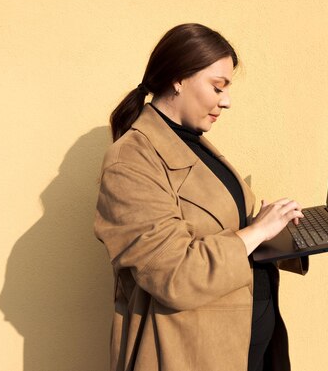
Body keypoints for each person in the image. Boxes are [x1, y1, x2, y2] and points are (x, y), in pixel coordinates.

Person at [93, 23, 310, 371]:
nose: (226, 102)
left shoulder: (190, 139)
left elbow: (212, 229)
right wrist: (256, 233)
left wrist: (268, 225)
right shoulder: (130, 160)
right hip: (191, 354)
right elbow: (173, 273)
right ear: (179, 78)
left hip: (243, 346)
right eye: (217, 87)